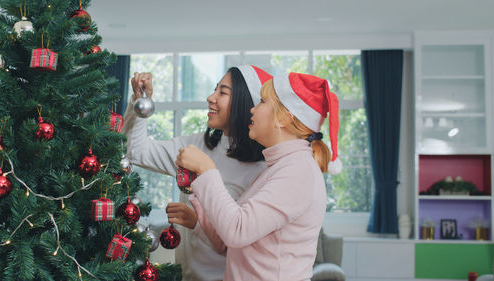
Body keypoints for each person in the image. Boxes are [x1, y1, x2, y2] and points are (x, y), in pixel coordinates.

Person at [176, 72, 342, 280]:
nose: (252, 109)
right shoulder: (279, 168)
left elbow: (237, 231)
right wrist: (198, 223)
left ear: (283, 118)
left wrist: (208, 169)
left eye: (263, 102)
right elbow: (235, 245)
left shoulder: (298, 172)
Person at [123, 65, 273, 281]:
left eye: (222, 92)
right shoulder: (196, 146)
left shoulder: (263, 169)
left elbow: (248, 244)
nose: (210, 97)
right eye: (215, 89)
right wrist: (140, 101)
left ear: (244, 103)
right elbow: (136, 152)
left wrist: (198, 222)